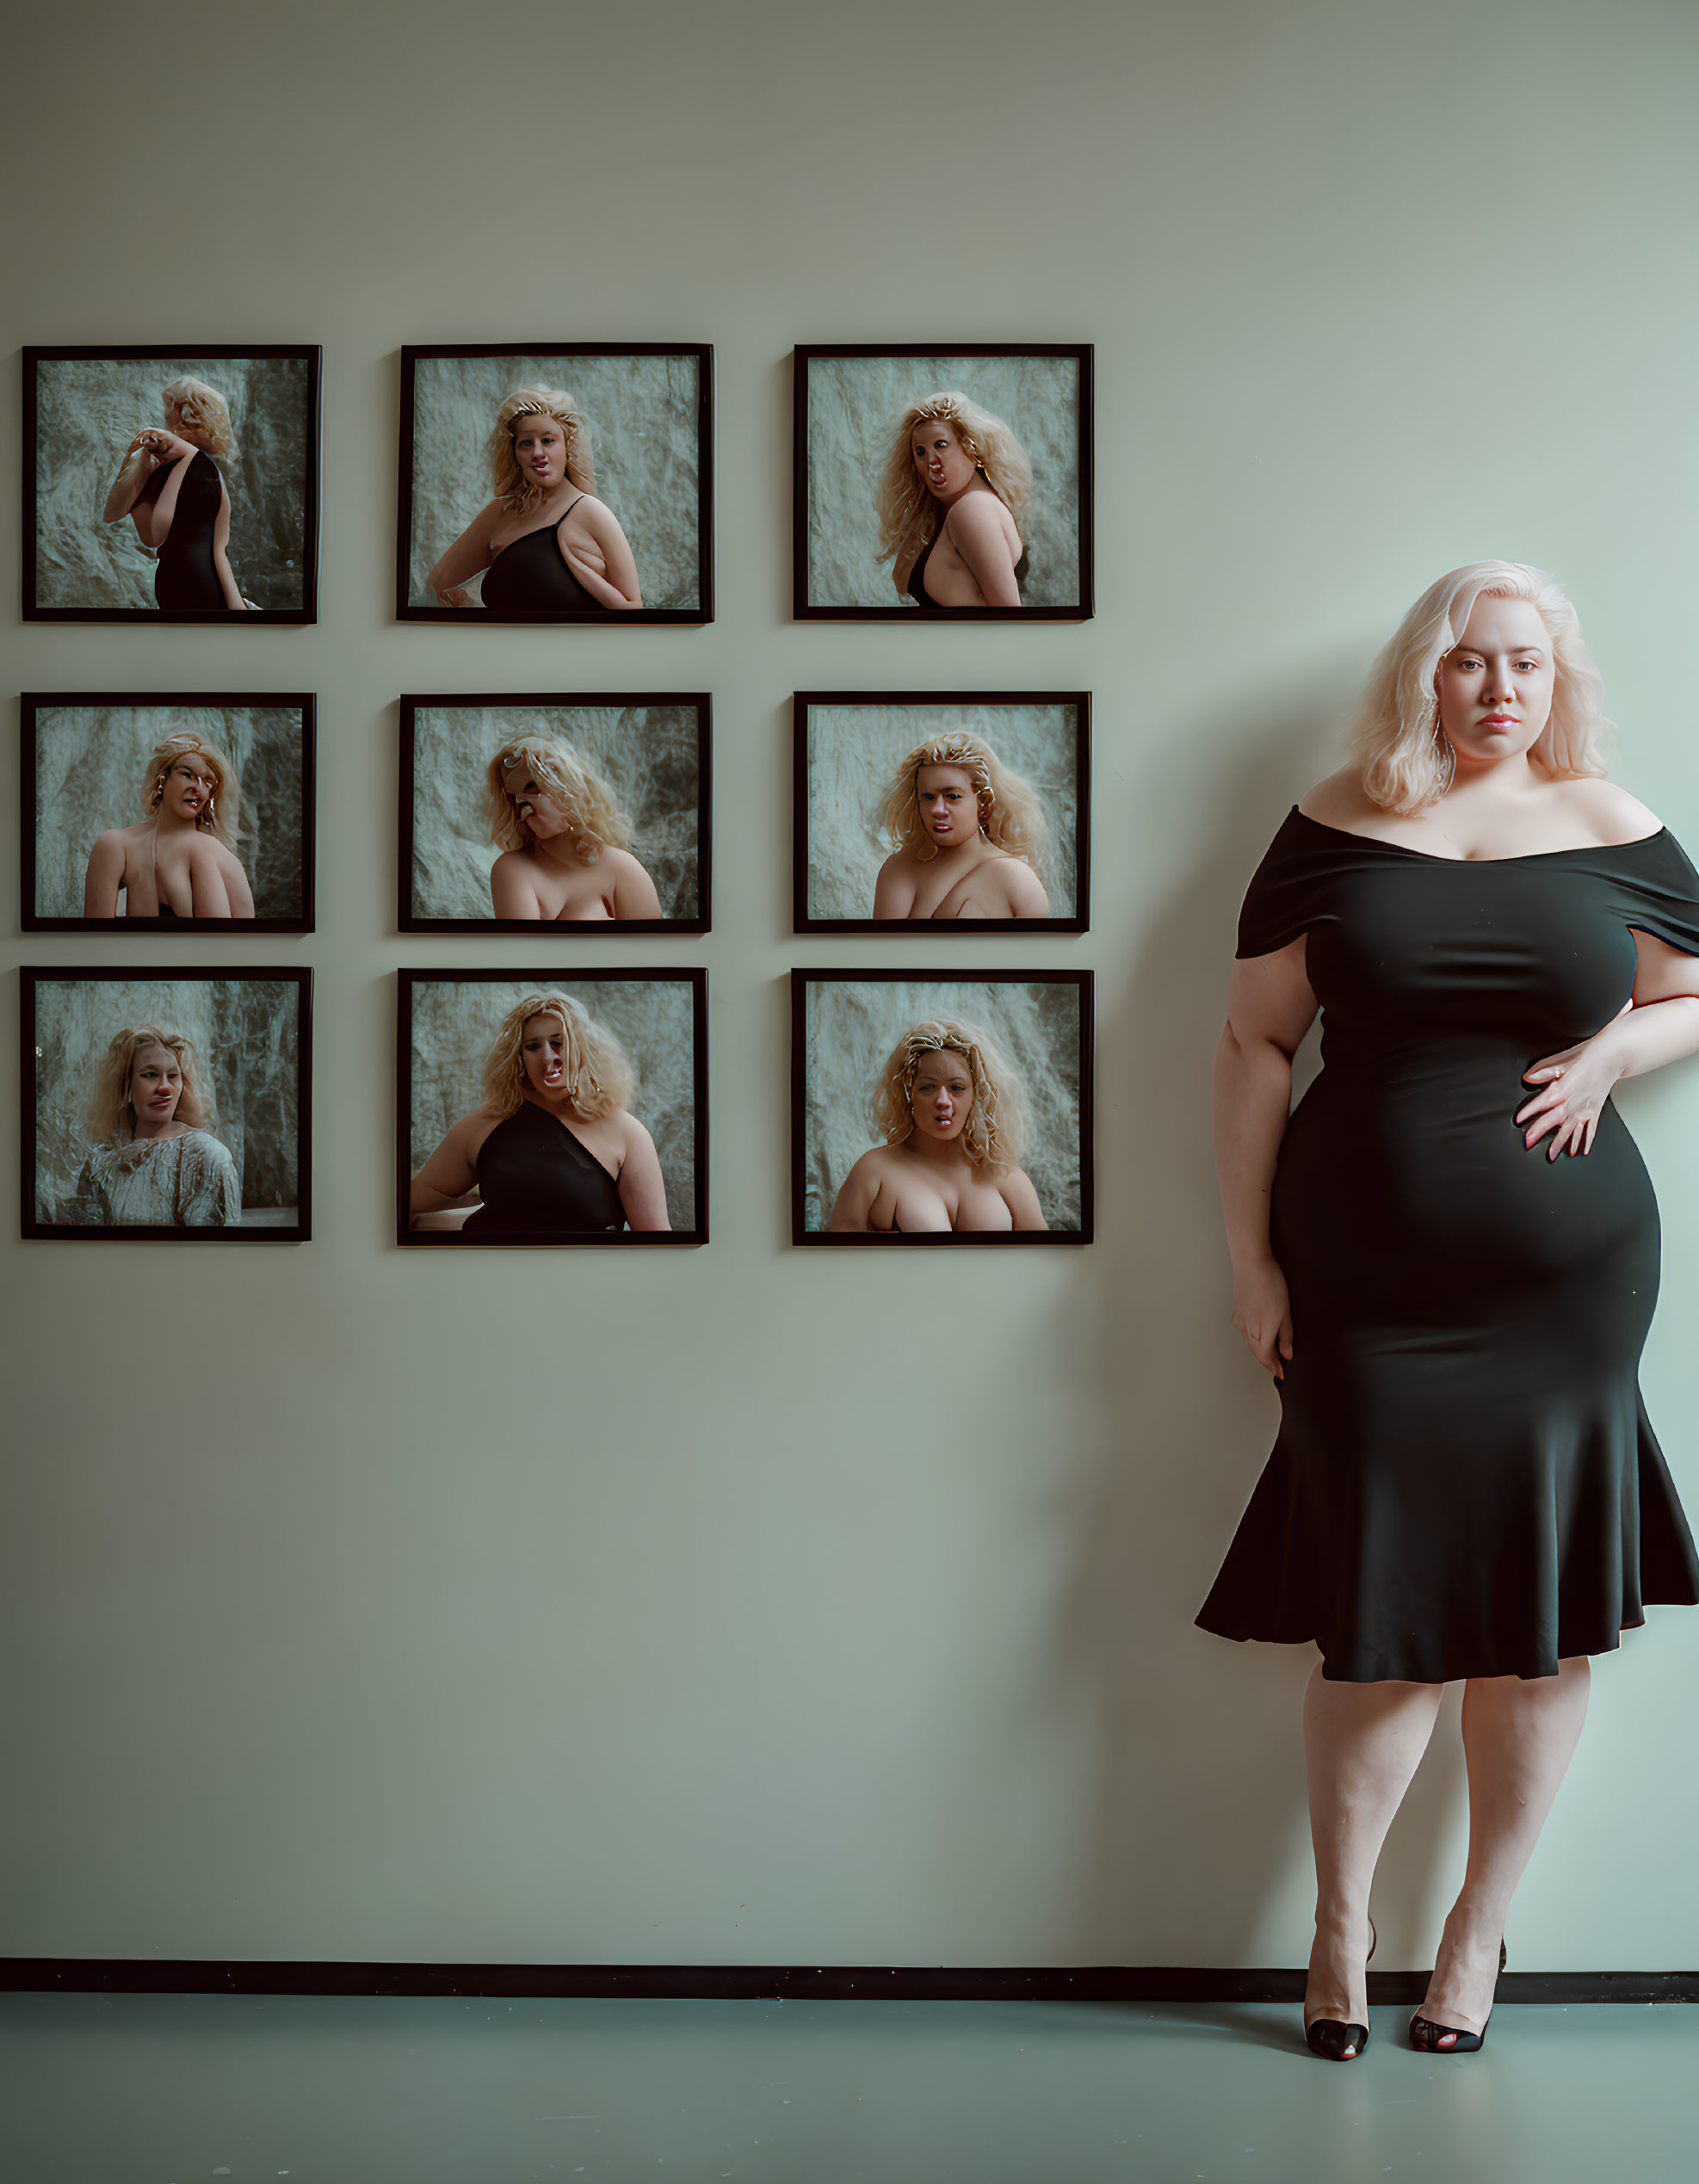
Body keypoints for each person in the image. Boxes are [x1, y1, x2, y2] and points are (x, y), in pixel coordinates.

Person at [1197, 561, 1699, 2062]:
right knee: (1380, 1614)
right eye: (1470, 661)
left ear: (1558, 681)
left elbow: (1697, 989)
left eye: (1524, 665)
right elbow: (1247, 1043)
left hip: (1564, 1290)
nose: (1496, 689)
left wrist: (1614, 1050)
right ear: (1424, 670)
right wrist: (1249, 1260)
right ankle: (1339, 1928)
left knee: (1534, 1622)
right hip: (1363, 1280)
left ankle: (1474, 1932)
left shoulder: (1610, 826)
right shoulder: (1329, 827)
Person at [409, 992, 669, 1235]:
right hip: (486, 1274)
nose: (547, 1057)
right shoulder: (484, 1123)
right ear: (518, 1057)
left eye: (558, 1043)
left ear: (584, 1048)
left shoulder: (628, 1133)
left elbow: (657, 1246)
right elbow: (412, 1199)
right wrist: (479, 1201)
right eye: (533, 1046)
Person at [424, 387, 642, 613]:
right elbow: (436, 585)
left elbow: (634, 608)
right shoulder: (500, 513)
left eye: (548, 440)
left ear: (567, 447)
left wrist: (582, 572)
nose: (538, 452)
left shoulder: (591, 511)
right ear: (514, 454)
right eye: (526, 443)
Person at [826, 1017, 1047, 1231]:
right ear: (909, 1093)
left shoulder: (1007, 1177)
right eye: (928, 1087)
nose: (943, 1101)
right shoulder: (873, 1171)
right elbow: (834, 1262)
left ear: (976, 1095)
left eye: (957, 1088)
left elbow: (1041, 1261)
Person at [61, 1025, 239, 1226]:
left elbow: (225, 1243)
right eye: (150, 1075)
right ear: (126, 1084)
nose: (164, 1088)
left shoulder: (209, 1156)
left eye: (172, 1076)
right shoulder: (100, 1164)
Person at [102, 376, 249, 611]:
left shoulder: (193, 465)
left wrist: (139, 462)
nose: (167, 421)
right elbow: (218, 550)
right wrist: (238, 608)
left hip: (184, 582)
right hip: (196, 584)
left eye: (169, 409)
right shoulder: (208, 471)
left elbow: (148, 533)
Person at [872, 731, 1050, 918]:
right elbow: (880, 947)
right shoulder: (898, 868)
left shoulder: (1014, 877)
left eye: (952, 797)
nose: (937, 810)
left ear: (982, 800)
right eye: (927, 797)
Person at [877, 392, 1030, 608]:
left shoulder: (972, 509)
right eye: (920, 451)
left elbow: (1008, 615)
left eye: (941, 444)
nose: (931, 462)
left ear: (972, 448)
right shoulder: (956, 510)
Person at [485, 736, 661, 920]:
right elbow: (521, 948)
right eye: (513, 796)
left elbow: (655, 946)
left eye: (532, 787)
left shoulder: (622, 867)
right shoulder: (513, 869)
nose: (523, 803)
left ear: (569, 788)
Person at [83, 731, 255, 919]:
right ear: (162, 778)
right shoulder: (115, 845)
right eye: (187, 775)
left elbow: (239, 942)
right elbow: (95, 937)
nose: (198, 788)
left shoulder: (216, 854)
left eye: (208, 781)